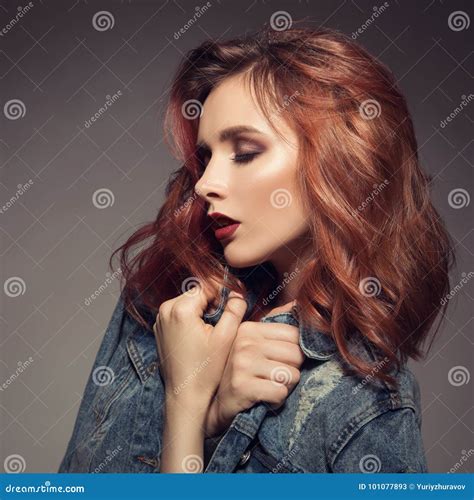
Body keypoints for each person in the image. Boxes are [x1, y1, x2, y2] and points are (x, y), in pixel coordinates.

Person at [58, 24, 455, 473]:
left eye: (245, 152)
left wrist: (186, 403)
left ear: (340, 160)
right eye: (205, 159)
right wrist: (205, 414)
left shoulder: (364, 402)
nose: (205, 185)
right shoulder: (165, 306)